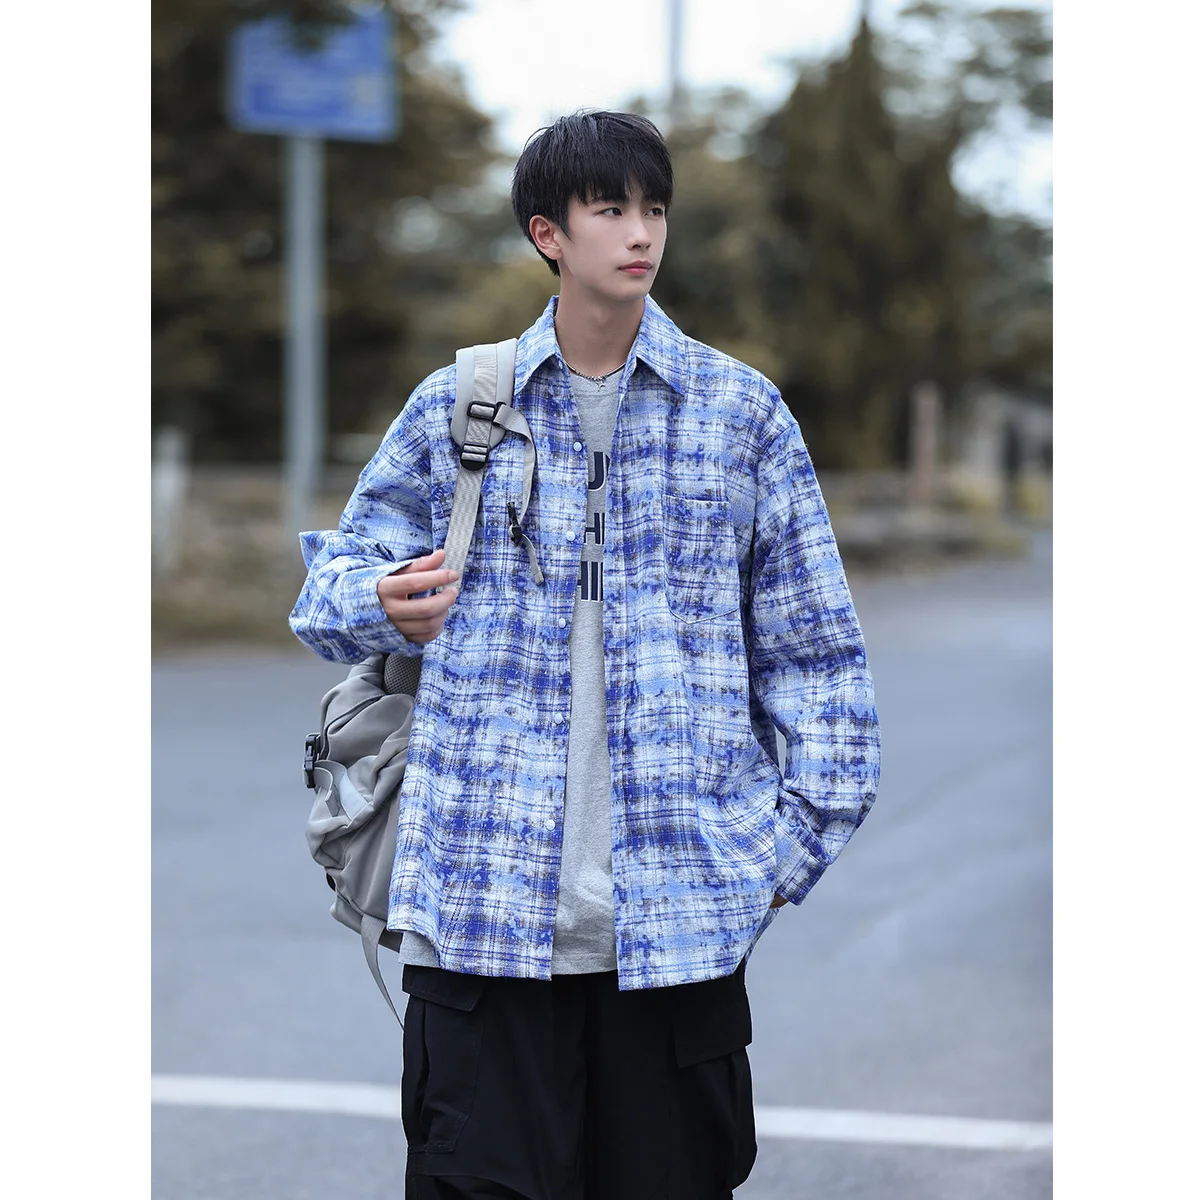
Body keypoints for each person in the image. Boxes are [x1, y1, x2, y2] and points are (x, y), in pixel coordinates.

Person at [290, 109, 880, 1200]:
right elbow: (324, 594)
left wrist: (777, 858)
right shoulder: (463, 406)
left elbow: (818, 658)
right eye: (610, 208)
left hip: (679, 938)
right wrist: (379, 599)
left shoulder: (741, 414)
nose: (640, 232)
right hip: (481, 924)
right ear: (548, 234)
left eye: (654, 207)